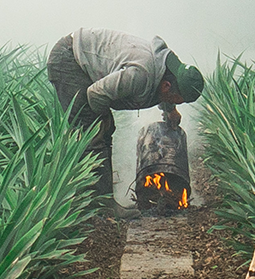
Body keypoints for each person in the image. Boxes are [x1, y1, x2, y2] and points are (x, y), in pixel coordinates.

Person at [46, 29, 206, 197]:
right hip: (70, 60)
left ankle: (102, 198)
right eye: (175, 100)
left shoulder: (169, 69)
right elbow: (95, 94)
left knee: (105, 131)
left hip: (83, 61)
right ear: (167, 86)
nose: (173, 102)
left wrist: (170, 110)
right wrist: (103, 118)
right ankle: (101, 206)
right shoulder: (139, 75)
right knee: (92, 135)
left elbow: (166, 86)